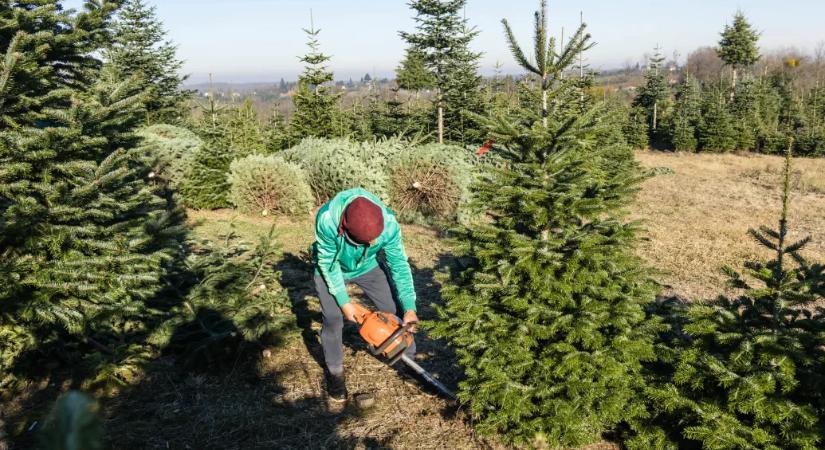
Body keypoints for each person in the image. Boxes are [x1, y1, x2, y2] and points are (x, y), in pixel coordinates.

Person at [312, 188, 418, 401]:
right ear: (345, 227)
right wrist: (344, 302)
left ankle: (409, 360)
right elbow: (327, 263)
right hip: (332, 268)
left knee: (393, 310)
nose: (370, 245)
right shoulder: (327, 219)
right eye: (363, 242)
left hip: (368, 267)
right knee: (333, 319)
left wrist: (409, 307)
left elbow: (398, 264)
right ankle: (335, 374)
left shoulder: (388, 223)